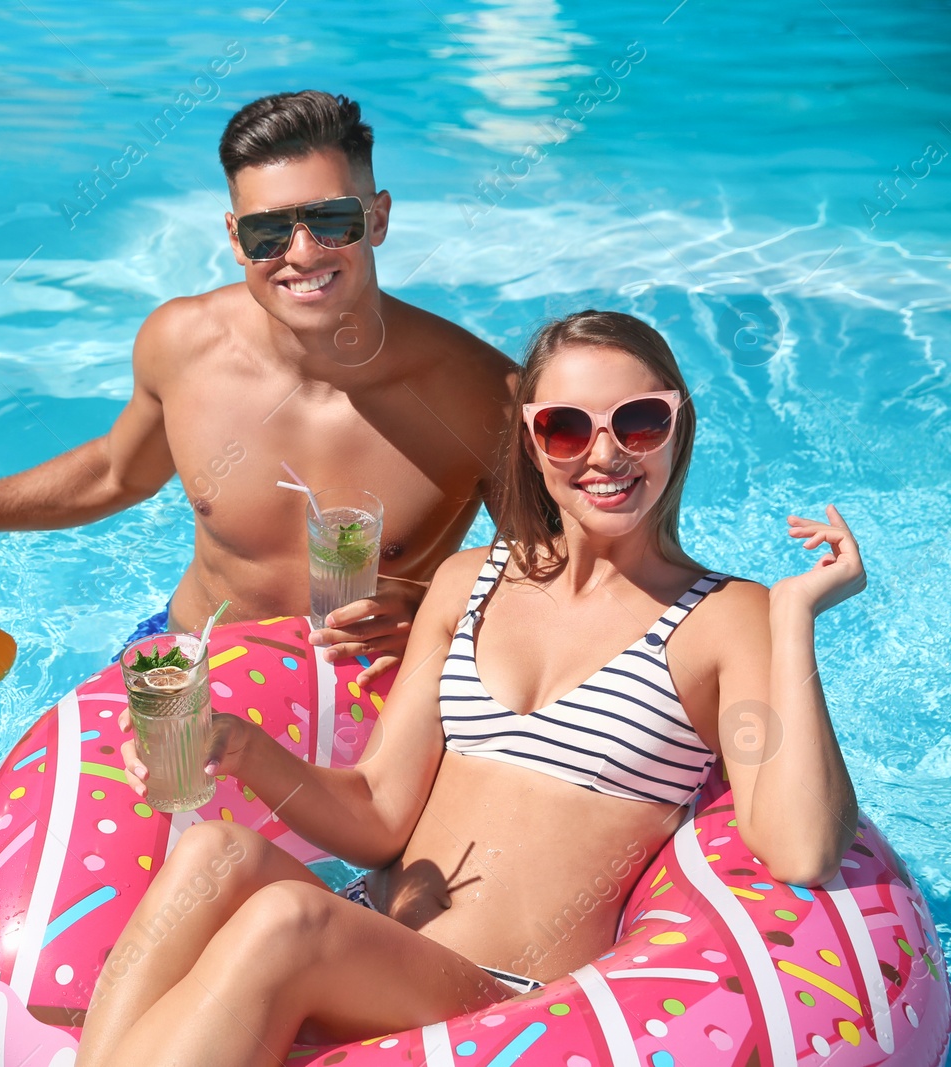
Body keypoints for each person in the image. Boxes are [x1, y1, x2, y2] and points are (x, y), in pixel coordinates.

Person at [76, 310, 863, 1066]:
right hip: (368, 931)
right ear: (531, 437)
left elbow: (801, 848)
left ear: (677, 425)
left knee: (287, 915)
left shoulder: (728, 617)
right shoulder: (469, 581)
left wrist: (795, 615)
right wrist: (236, 745)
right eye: (567, 427)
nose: (607, 454)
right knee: (216, 848)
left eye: (639, 421)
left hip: (502, 997)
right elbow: (381, 814)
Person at [0, 91, 518, 685]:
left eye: (332, 220)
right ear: (234, 237)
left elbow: (564, 567)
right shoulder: (183, 345)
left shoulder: (482, 394)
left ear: (378, 218)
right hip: (183, 664)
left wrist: (443, 611)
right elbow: (115, 472)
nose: (303, 253)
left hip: (368, 685)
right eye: (269, 231)